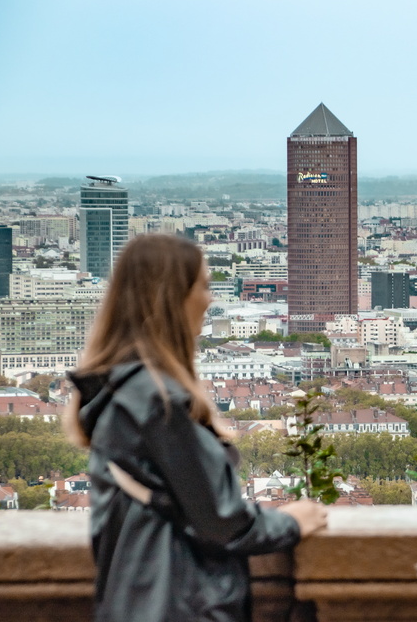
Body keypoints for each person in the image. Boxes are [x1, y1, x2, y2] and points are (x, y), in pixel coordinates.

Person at [65, 234, 327, 621]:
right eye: (203, 285)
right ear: (173, 297)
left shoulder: (119, 390)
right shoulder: (156, 401)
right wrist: (291, 522)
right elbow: (220, 521)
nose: (210, 300)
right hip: (178, 606)